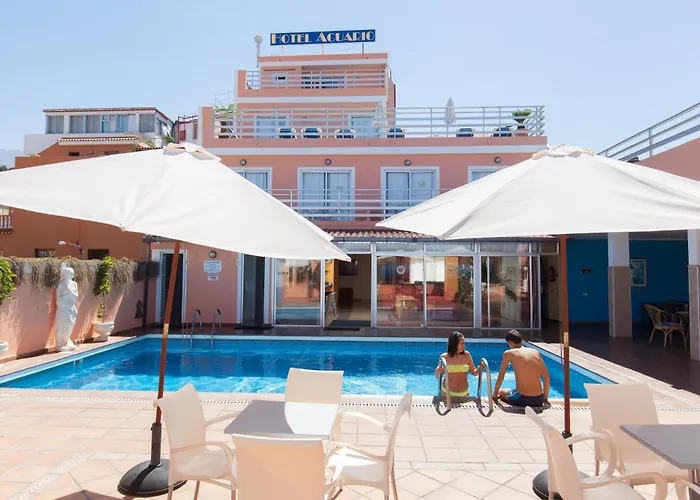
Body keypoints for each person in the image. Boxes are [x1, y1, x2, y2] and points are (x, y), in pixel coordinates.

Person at [492, 329, 550, 407]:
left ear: (510, 343)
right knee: (513, 391)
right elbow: (546, 376)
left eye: (508, 345)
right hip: (539, 399)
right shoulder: (535, 352)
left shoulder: (508, 353)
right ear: (521, 341)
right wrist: (545, 399)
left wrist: (494, 395)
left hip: (522, 398)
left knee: (501, 391)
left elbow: (501, 376)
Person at [434, 331, 480, 398]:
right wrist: (436, 371)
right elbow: (438, 376)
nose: (464, 346)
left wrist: (480, 368)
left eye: (464, 343)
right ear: (454, 344)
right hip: (447, 392)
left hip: (464, 393)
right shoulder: (444, 357)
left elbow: (474, 372)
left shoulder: (467, 355)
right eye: (462, 343)